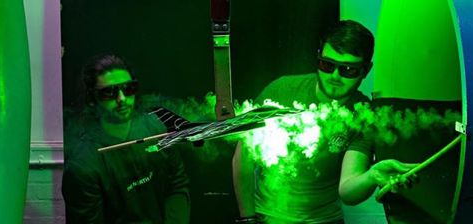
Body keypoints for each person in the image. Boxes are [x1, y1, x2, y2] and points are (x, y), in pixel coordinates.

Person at [232, 20, 415, 224]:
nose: (335, 76)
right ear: (318, 58)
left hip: (325, 220)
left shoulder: (363, 114)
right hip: (267, 216)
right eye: (327, 65)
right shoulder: (281, 91)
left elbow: (348, 190)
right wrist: (247, 219)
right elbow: (244, 159)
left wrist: (372, 176)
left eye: (348, 69)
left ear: (366, 70)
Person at [62, 54, 191, 224]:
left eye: (128, 88)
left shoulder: (156, 129)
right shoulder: (84, 165)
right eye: (109, 92)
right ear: (92, 99)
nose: (121, 99)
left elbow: (177, 185)